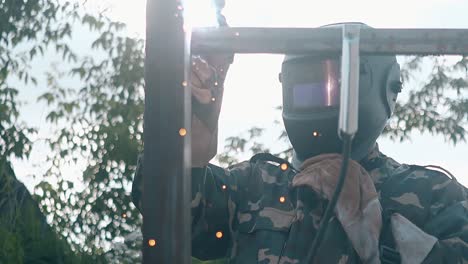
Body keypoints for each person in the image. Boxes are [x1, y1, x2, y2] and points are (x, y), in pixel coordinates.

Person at [132, 23, 468, 263]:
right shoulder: (253, 186)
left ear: (386, 88)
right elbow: (162, 210)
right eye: (307, 86)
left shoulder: (432, 195)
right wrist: (186, 143)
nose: (322, 95)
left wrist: (380, 246)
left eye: (335, 84)